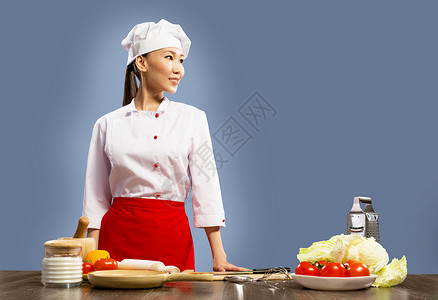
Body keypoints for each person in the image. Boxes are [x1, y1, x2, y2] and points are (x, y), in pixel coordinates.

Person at [82, 19, 248, 272]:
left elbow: (207, 188)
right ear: (141, 62)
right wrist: (92, 260)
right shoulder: (107, 124)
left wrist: (219, 256)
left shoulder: (193, 118)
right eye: (169, 57)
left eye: (181, 60)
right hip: (118, 240)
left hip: (172, 238)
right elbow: (95, 201)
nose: (178, 69)